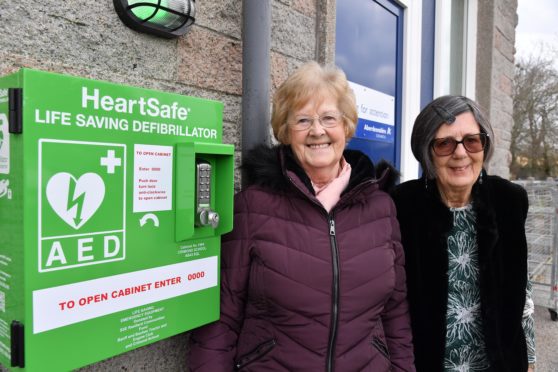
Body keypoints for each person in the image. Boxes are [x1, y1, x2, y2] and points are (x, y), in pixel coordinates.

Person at [188, 61, 415, 371]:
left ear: (347, 127)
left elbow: (395, 312)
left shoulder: (381, 208)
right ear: (285, 130)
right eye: (303, 119)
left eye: (329, 118)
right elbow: (219, 319)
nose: (317, 130)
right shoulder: (252, 206)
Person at [390, 95, 536, 371]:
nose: (460, 153)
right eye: (445, 143)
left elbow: (521, 286)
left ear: (484, 145)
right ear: (426, 151)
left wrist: (528, 358)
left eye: (472, 140)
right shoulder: (401, 206)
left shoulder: (508, 200)